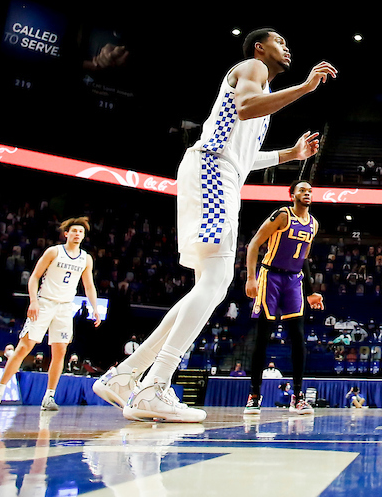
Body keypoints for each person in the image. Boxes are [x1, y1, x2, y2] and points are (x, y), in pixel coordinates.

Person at [93, 29, 334, 423]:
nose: (287, 47)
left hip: (221, 173)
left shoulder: (263, 96)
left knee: (210, 285)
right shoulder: (253, 68)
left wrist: (290, 154)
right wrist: (306, 88)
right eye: (279, 41)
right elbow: (245, 109)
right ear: (260, 48)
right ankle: (153, 385)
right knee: (217, 279)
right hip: (212, 170)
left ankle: (127, 375)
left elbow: (245, 158)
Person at [0, 217, 100, 412]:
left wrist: (95, 308)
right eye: (74, 231)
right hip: (45, 302)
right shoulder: (54, 251)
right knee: (24, 347)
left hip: (65, 307)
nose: (77, 234)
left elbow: (89, 286)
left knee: (60, 352)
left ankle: (49, 397)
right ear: (66, 234)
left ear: (83, 236)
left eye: (81, 232)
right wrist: (34, 301)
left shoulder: (86, 258)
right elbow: (34, 277)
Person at [243, 180, 322, 416]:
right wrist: (251, 278)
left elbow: (304, 258)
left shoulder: (313, 224)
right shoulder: (282, 216)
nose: (307, 193)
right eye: (302, 190)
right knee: (263, 336)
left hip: (294, 280)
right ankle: (254, 395)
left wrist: (311, 291)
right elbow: (254, 244)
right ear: (292, 195)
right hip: (271, 276)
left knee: (298, 337)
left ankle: (297, 396)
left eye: (309, 191)